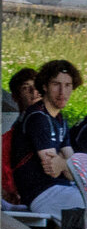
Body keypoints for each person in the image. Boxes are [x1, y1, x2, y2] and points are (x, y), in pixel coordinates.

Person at [10, 59, 85, 220]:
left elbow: (74, 172)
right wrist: (67, 164)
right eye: (56, 84)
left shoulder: (59, 118)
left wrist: (65, 163)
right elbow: (52, 168)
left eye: (67, 85)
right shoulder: (37, 117)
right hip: (42, 194)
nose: (62, 92)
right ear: (44, 86)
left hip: (61, 188)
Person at [2, 68, 41, 205]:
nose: (34, 91)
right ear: (15, 97)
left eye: (36, 86)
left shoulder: (55, 122)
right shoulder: (13, 135)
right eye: (26, 88)